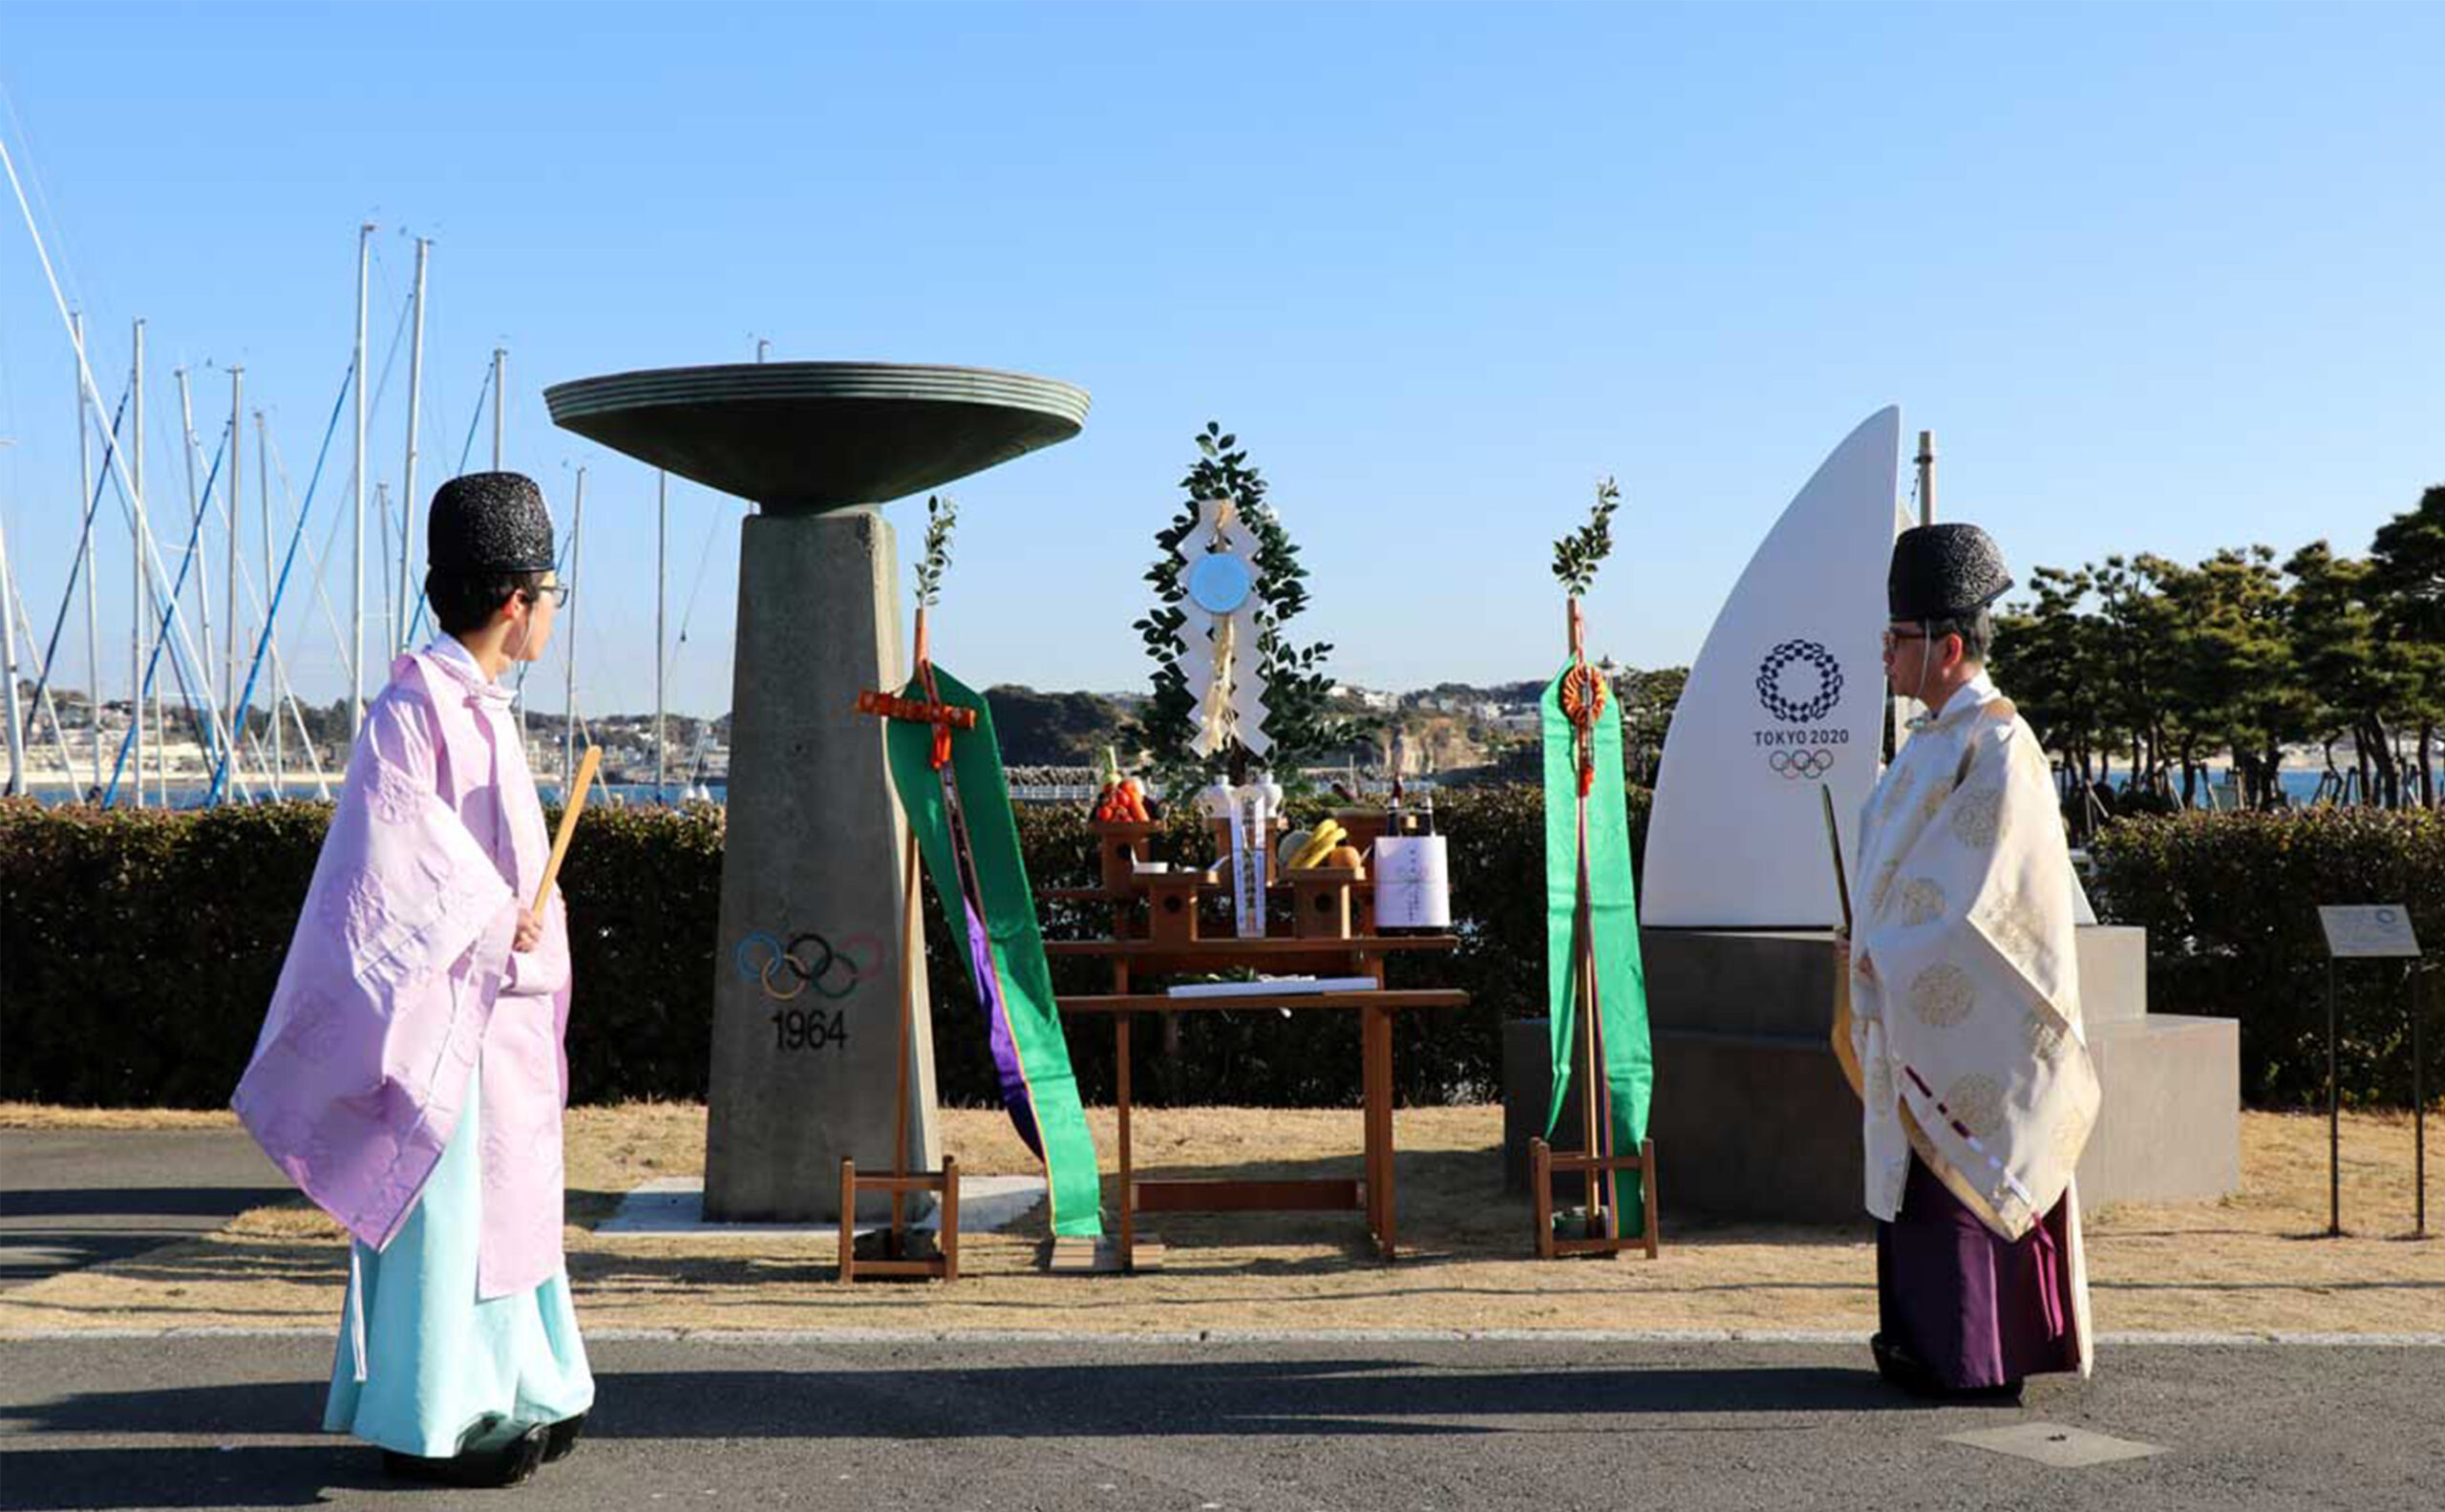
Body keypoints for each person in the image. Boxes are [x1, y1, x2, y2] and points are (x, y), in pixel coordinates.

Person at [232, 472, 592, 1486]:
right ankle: (434, 1414)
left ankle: (529, 1383)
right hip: (447, 1009)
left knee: (513, 1200)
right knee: (452, 1210)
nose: (554, 614)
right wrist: (491, 916)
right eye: (553, 593)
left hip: (496, 1001)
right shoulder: (415, 704)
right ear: (518, 600)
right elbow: (389, 858)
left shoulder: (480, 704)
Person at [1839, 522, 2099, 1399]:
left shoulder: (1997, 745)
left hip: (1975, 1016)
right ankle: (1920, 1338)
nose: (1885, 653)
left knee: (1959, 1172)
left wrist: (1887, 949)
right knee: (1917, 1181)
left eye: (1898, 638)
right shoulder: (1926, 743)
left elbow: (1991, 897)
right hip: (1911, 993)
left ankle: (1978, 1352)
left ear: (1948, 646)